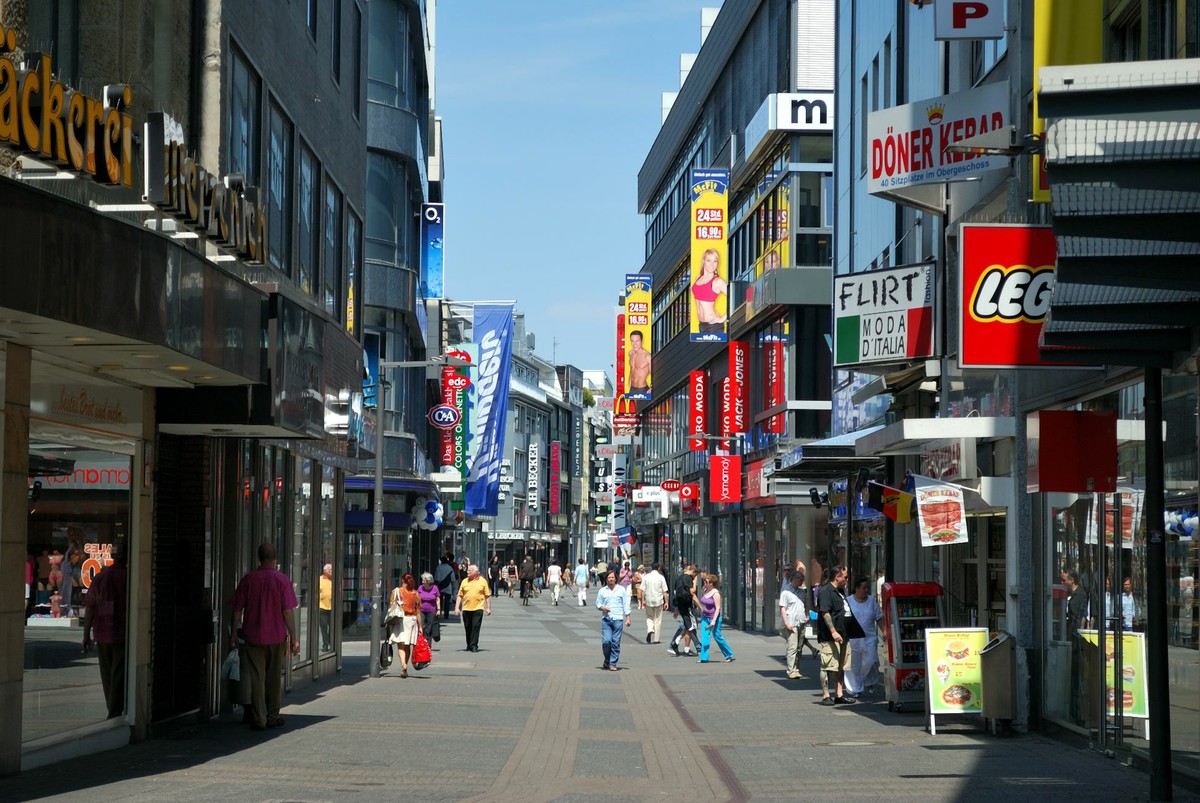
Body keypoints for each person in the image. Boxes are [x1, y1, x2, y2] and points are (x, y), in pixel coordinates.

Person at [230, 543, 299, 731]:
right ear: (275, 557)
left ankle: (259, 718)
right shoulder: (282, 580)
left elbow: (237, 609)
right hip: (277, 636)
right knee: (274, 677)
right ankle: (273, 715)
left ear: (259, 558)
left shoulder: (248, 580)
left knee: (257, 677)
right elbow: (288, 611)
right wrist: (293, 637)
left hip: (253, 636)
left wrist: (234, 632)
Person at [81, 542, 127, 718]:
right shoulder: (129, 577)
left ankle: (112, 709)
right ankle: (115, 711)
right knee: (118, 674)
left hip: (102, 633)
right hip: (123, 633)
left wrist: (86, 634)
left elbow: (91, 607)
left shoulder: (101, 577)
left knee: (108, 675)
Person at [817, 566, 854, 706]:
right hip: (829, 636)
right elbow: (825, 613)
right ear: (836, 577)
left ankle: (839, 694)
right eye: (845, 577)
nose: (846, 579)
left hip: (844, 634)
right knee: (827, 665)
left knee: (841, 666)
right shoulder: (825, 591)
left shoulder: (840, 591)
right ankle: (826, 695)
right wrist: (833, 631)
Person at [845, 576, 884, 697]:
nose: (866, 590)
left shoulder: (872, 601)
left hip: (869, 636)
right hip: (854, 637)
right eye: (863, 588)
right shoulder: (848, 601)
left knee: (871, 659)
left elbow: (879, 618)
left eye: (867, 587)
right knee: (855, 664)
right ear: (856, 588)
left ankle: (865, 680)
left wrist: (886, 633)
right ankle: (856, 688)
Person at [596, 570, 632, 671]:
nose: (611, 579)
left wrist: (628, 617)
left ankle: (613, 663)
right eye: (609, 578)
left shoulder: (621, 590)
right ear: (606, 579)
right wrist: (602, 608)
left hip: (618, 619)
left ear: (615, 578)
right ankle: (607, 658)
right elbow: (598, 604)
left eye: (612, 577)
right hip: (606, 620)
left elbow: (625, 604)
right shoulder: (602, 591)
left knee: (615, 642)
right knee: (606, 641)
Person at [387, 573, 421, 677]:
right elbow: (418, 611)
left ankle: (403, 665)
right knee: (407, 645)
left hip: (401, 620)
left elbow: (391, 606)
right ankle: (405, 666)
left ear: (402, 580)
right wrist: (420, 627)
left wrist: (388, 622)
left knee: (400, 645)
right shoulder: (416, 594)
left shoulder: (397, 591)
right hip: (412, 620)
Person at [696, 574, 735, 663]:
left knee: (717, 636)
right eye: (704, 581)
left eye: (707, 582)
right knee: (705, 638)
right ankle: (704, 658)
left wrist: (713, 621)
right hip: (705, 618)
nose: (705, 583)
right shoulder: (705, 590)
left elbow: (718, 608)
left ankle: (729, 654)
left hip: (714, 618)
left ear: (712, 583)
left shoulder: (715, 593)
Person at [455, 564, 492, 652]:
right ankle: (469, 644)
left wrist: (488, 608)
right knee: (468, 627)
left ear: (475, 572)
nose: (467, 572)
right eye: (468, 570)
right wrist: (457, 608)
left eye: (469, 571)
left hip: (478, 608)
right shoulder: (464, 581)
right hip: (466, 608)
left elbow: (487, 595)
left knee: (475, 627)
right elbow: (460, 595)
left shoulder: (483, 581)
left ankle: (474, 645)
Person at [778, 568, 808, 680]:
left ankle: (796, 669)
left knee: (799, 647)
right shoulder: (786, 592)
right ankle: (791, 670)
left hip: (801, 622)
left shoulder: (801, 592)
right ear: (794, 579)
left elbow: (806, 604)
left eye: (802, 580)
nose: (801, 582)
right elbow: (783, 608)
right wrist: (786, 623)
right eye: (800, 580)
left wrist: (807, 615)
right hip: (791, 623)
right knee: (792, 647)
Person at [691, 248, 728, 334]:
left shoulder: (717, 281)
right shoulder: (698, 278)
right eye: (709, 260)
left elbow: (736, 297)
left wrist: (722, 318)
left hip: (714, 327)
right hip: (701, 325)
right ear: (703, 261)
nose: (712, 264)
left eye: (715, 261)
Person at [667, 565, 699, 656]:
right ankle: (680, 645)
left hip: (681, 605)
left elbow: (677, 593)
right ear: (693, 571)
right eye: (695, 574)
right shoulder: (688, 578)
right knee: (690, 626)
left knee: (687, 625)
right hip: (688, 605)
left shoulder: (679, 578)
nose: (694, 576)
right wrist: (695, 581)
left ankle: (681, 645)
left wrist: (676, 609)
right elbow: (692, 592)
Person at [640, 563, 669, 644]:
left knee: (649, 617)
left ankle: (650, 629)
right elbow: (664, 591)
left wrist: (643, 601)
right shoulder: (661, 577)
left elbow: (642, 590)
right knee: (658, 619)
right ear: (658, 568)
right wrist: (666, 602)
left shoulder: (646, 577)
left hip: (649, 599)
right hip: (659, 600)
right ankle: (656, 639)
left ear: (651, 568)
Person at [418, 572, 441, 644]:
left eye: (423, 580)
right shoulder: (420, 588)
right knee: (422, 625)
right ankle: (423, 641)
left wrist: (438, 609)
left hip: (431, 610)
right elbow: (417, 598)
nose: (422, 582)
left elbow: (437, 599)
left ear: (428, 581)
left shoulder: (435, 588)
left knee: (429, 627)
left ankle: (428, 643)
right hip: (421, 610)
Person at [627, 330, 651, 396]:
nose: (635, 344)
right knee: (630, 406)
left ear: (641, 341)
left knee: (644, 407)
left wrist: (652, 388)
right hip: (632, 388)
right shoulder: (631, 353)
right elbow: (632, 368)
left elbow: (655, 373)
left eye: (637, 341)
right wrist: (629, 380)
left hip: (643, 389)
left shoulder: (647, 356)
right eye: (632, 341)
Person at [434, 555, 458, 619]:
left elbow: (436, 578)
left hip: (440, 586)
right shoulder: (450, 568)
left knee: (440, 600)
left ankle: (439, 613)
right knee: (447, 602)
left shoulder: (438, 568)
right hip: (448, 586)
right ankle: (446, 615)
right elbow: (453, 579)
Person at [318, 563, 333, 652]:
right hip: (322, 606)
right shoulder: (320, 579)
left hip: (332, 607)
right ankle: (325, 644)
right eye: (330, 569)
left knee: (332, 627)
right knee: (323, 627)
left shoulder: (333, 580)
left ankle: (330, 641)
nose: (331, 571)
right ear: (325, 571)